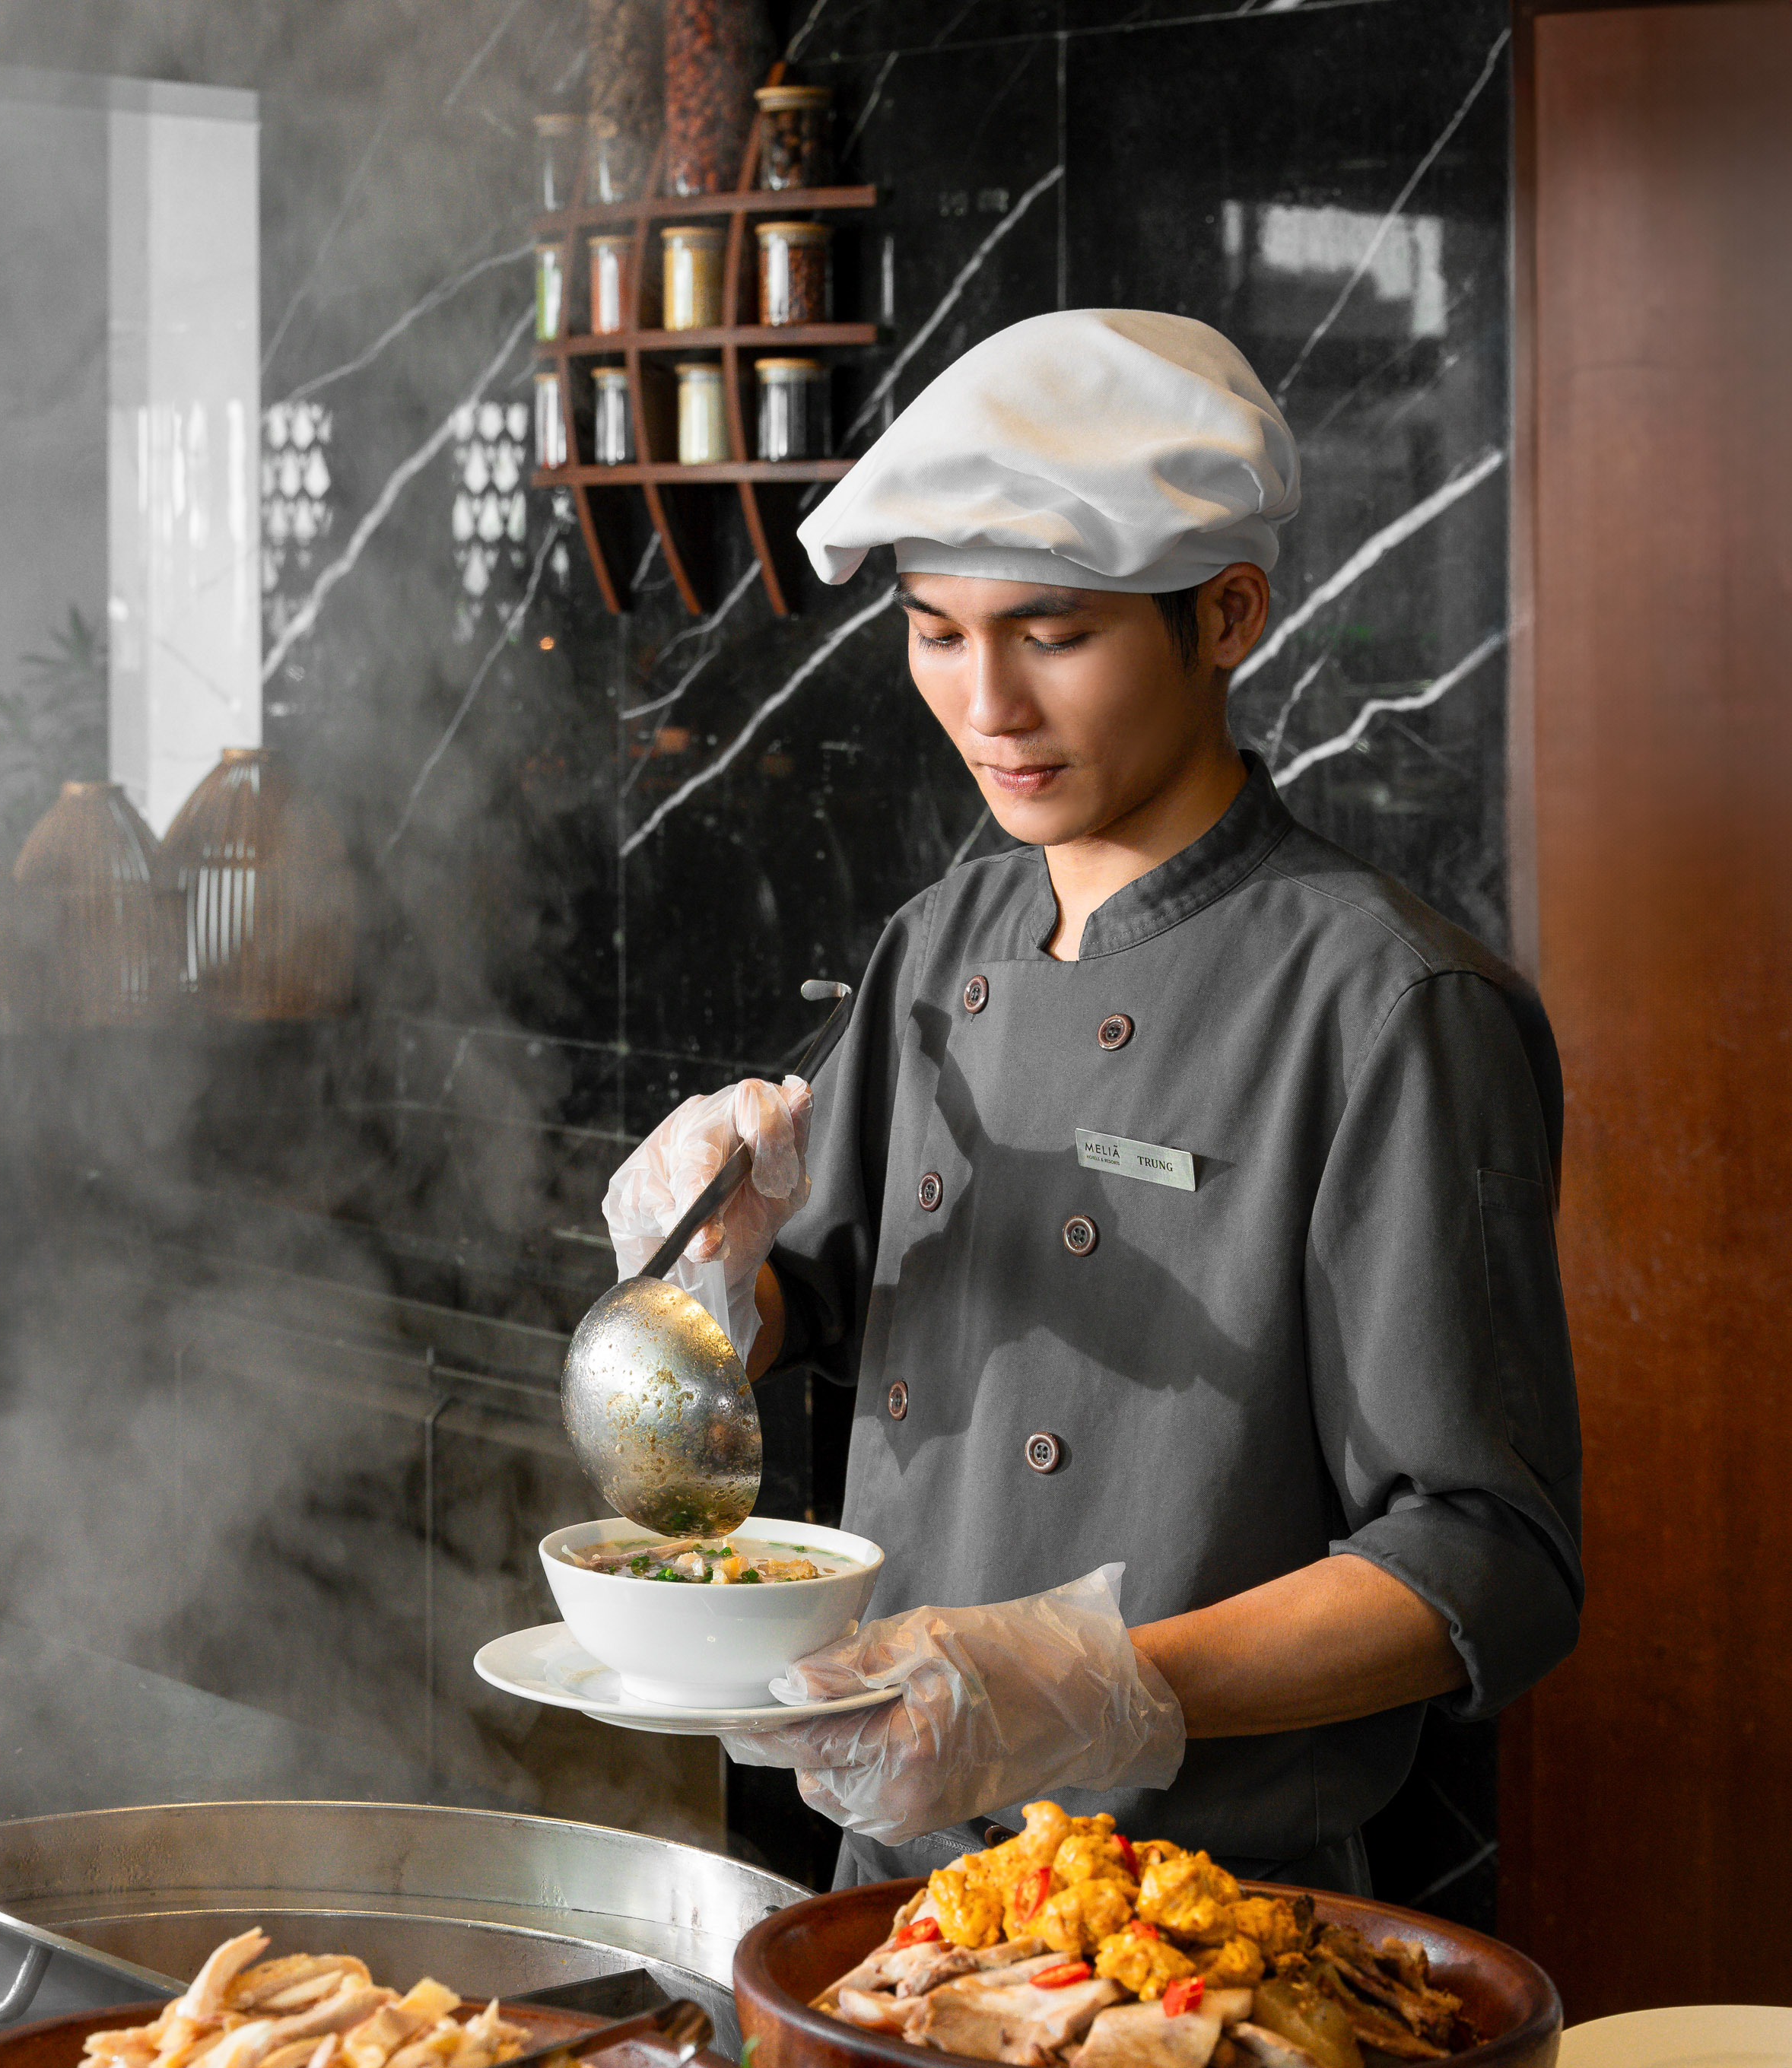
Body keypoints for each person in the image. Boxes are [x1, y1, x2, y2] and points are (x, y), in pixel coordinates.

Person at [600, 310, 1582, 1895]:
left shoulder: (1389, 1002)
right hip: (891, 1885)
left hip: (1199, 1928)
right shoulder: (947, 935)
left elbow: (1486, 1553)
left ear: (1228, 615)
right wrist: (714, 1271)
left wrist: (1085, 1688)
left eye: (1052, 633)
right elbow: (813, 1297)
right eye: (935, 630)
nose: (986, 701)